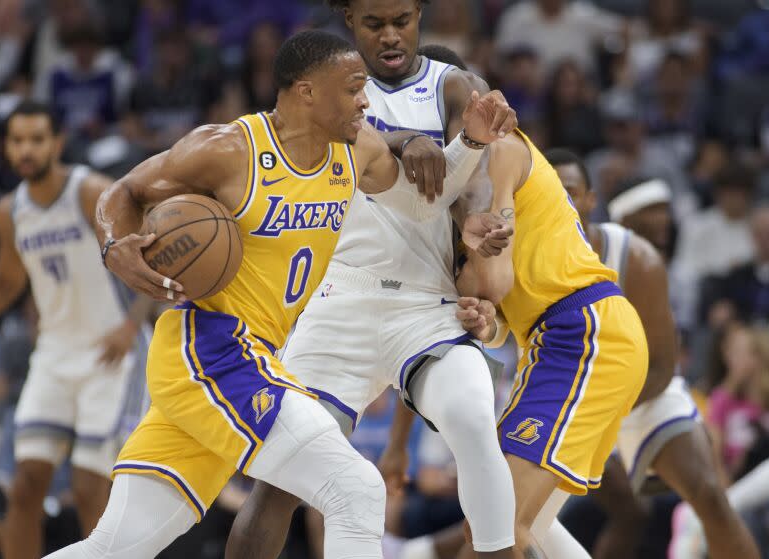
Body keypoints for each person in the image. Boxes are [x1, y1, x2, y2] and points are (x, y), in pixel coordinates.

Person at [44, 29, 510, 559]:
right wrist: (113, 246)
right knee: (356, 488)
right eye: (353, 87)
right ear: (306, 92)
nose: (365, 99)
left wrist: (470, 145)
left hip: (246, 358)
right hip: (212, 348)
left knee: (113, 548)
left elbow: (423, 203)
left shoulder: (357, 150)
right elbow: (124, 191)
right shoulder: (228, 149)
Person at [225, 3, 520, 557]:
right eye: (374, 23)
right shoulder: (323, 85)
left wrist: (472, 221)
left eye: (401, 21)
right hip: (340, 298)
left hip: (426, 305)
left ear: (420, 15)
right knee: (279, 482)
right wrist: (407, 137)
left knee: (476, 420)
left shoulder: (455, 86)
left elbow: (473, 175)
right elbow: (352, 140)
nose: (389, 35)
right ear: (349, 19)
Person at [547, 149, 759, 559]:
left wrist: (605, 410)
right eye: (550, 191)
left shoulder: (636, 257)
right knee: (515, 517)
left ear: (591, 199)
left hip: (641, 393)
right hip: (565, 402)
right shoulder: (524, 257)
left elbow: (662, 366)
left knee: (709, 494)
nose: (562, 201)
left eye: (570, 191)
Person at [0, 100, 149, 559]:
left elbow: (150, 251)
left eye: (36, 140)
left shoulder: (91, 192)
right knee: (24, 486)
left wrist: (131, 324)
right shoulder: (10, 211)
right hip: (55, 353)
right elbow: (7, 282)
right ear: (7, 147)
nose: (26, 150)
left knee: (90, 488)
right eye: (17, 140)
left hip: (111, 353)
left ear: (57, 144)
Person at [448, 129, 649, 556]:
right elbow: (504, 308)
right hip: (559, 337)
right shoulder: (460, 194)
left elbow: (496, 279)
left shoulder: (503, 149)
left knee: (499, 522)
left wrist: (474, 280)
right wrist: (488, 324)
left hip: (582, 332)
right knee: (504, 524)